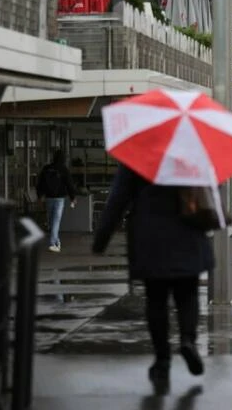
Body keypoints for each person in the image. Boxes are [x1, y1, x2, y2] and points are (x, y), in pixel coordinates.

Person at [92, 164, 213, 393]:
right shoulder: (189, 153)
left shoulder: (138, 155)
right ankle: (188, 340)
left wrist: (102, 237)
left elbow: (118, 197)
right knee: (188, 295)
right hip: (188, 232)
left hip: (150, 236)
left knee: (156, 300)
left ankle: (162, 360)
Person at [36, 150, 76, 252]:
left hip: (49, 198)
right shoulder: (63, 169)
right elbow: (69, 184)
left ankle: (56, 242)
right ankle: (53, 243)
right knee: (55, 221)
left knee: (51, 221)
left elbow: (40, 183)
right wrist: (73, 197)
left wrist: (40, 196)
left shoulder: (47, 168)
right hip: (59, 199)